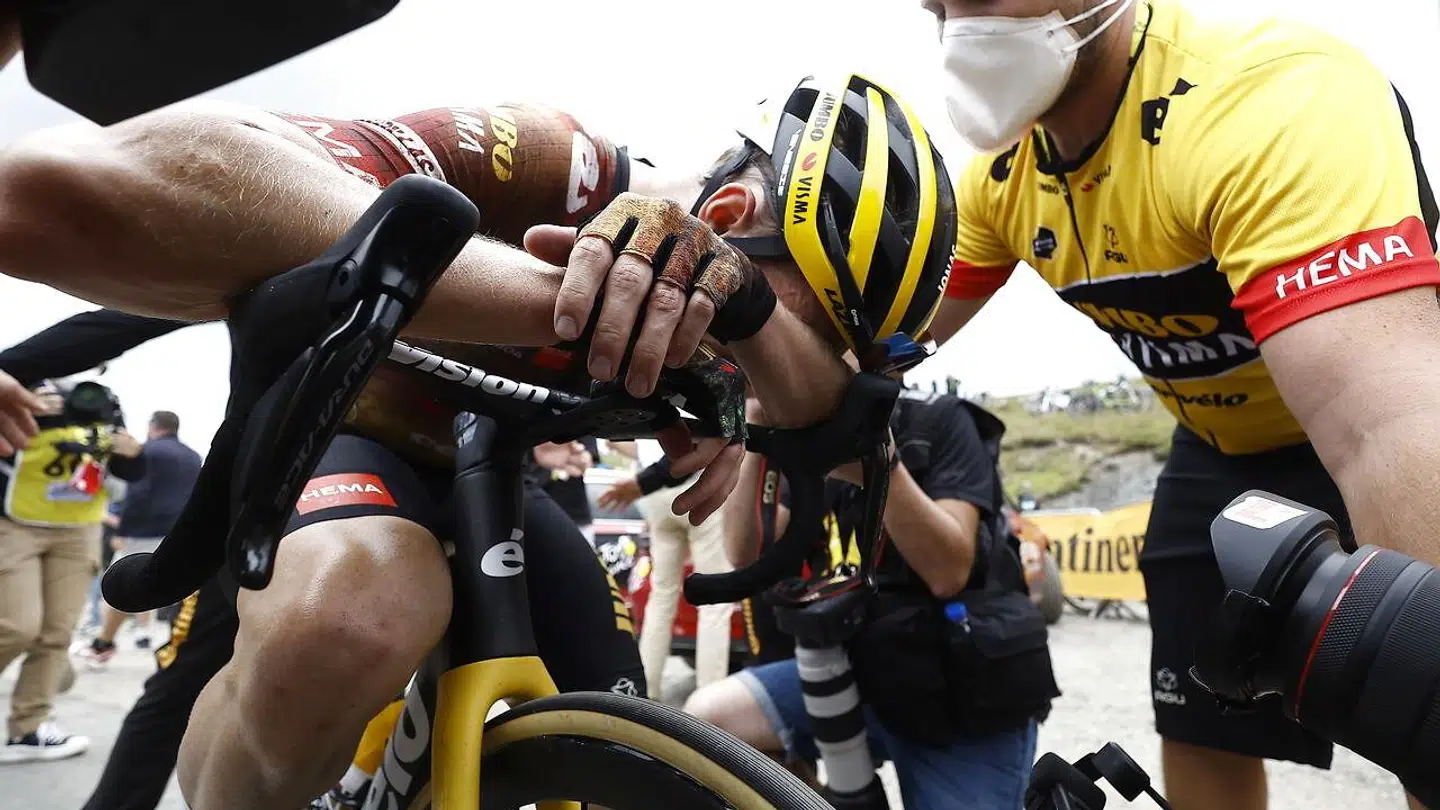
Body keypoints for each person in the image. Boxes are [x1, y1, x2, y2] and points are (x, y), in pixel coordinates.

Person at [0, 71, 956, 809]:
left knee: (637, 731)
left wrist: (755, 359)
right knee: (355, 612)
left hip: (490, 473)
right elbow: (72, 188)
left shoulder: (733, 333)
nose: (768, 359)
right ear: (730, 220)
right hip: (326, 439)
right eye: (799, 323)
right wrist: (589, 296)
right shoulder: (559, 162)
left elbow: (823, 456)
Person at [925, 1, 1439, 809]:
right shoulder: (1000, 182)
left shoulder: (1269, 92)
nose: (959, 27)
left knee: (1421, 708)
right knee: (1200, 718)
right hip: (1214, 447)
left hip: (1355, 417)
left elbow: (1385, 426)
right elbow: (889, 335)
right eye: (936, 7)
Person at [685, 388, 1059, 810]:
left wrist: (878, 462)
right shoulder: (807, 445)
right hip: (861, 673)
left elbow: (948, 573)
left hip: (961, 692)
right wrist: (752, 420)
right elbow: (748, 557)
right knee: (712, 718)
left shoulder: (941, 421)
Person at [0, 375, 145, 763]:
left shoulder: (102, 404)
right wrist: (32, 408)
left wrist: (132, 453)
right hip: (15, 523)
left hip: (78, 529)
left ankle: (27, 730)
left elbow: (129, 471)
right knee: (16, 625)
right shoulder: (24, 386)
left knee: (55, 634)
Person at [602, 439, 734, 696]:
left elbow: (621, 443)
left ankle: (646, 690)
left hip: (655, 495)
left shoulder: (645, 405)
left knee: (661, 595)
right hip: (699, 484)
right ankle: (710, 695)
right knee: (715, 603)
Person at [82, 410, 202, 664]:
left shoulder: (146, 452)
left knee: (125, 587)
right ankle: (163, 639)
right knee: (175, 589)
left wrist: (122, 531)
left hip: (146, 529)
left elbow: (138, 493)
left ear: (153, 426)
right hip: (182, 529)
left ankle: (103, 643)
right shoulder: (193, 456)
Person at [533, 437, 599, 544]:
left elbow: (586, 459)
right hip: (531, 516)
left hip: (575, 518)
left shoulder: (580, 421)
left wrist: (576, 458)